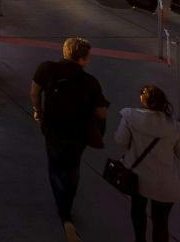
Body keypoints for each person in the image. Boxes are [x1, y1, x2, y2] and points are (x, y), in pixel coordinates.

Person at [33, 37, 110, 241]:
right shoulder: (90, 81)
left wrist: (38, 111)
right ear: (82, 60)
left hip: (53, 130)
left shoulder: (47, 68)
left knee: (55, 169)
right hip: (78, 134)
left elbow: (34, 92)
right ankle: (68, 206)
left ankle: (65, 216)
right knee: (73, 167)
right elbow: (101, 113)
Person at [116, 84, 180, 242]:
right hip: (166, 182)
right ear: (164, 103)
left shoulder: (130, 117)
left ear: (142, 99)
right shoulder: (174, 126)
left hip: (138, 179)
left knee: (138, 212)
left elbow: (121, 141)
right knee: (161, 224)